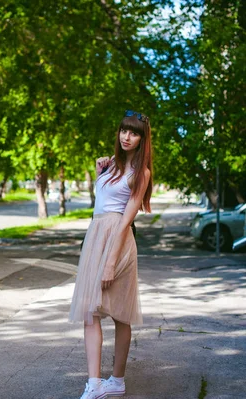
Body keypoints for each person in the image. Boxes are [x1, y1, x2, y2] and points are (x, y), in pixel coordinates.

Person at [69, 110, 153, 399]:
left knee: (120, 314)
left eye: (133, 133)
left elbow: (125, 220)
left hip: (118, 241)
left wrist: (110, 263)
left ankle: (116, 381)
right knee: (90, 313)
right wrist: (98, 173)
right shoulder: (110, 166)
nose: (126, 137)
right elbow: (101, 204)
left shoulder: (140, 173)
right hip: (96, 237)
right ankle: (94, 383)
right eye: (123, 131)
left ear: (142, 139)